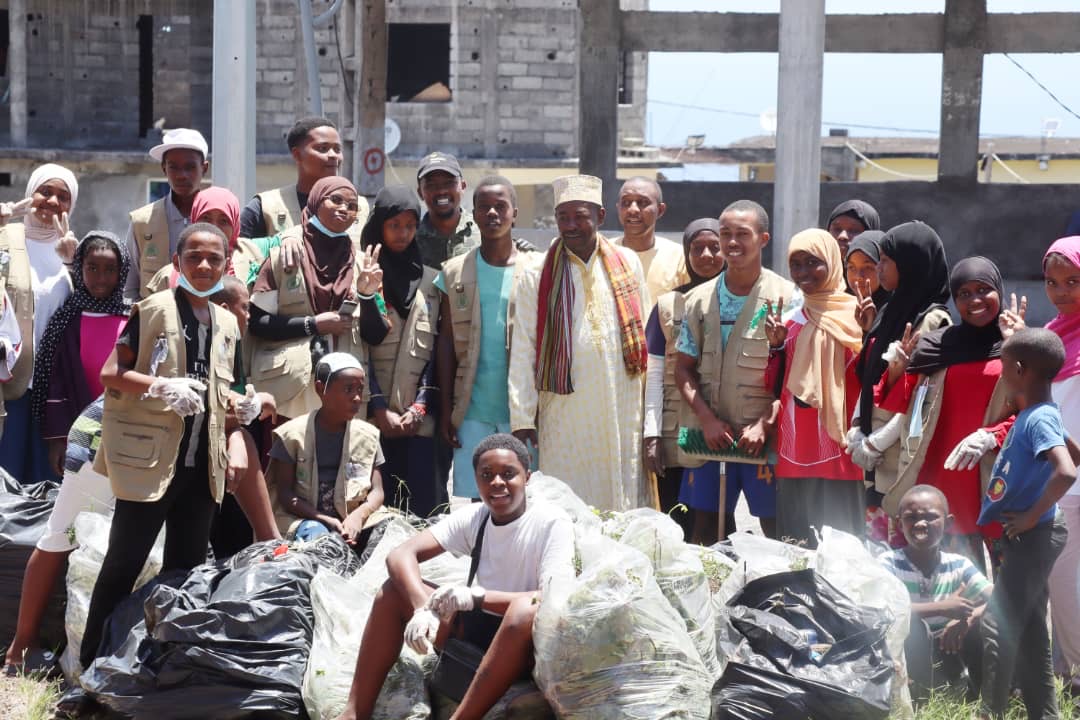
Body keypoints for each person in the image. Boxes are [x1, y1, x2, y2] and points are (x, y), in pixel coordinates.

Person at [80, 222, 246, 669]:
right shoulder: (153, 309)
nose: (205, 265)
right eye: (194, 256)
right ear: (177, 263)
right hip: (149, 464)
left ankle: (160, 670)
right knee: (122, 567)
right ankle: (92, 668)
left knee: (184, 573)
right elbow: (111, 374)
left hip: (200, 469)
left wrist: (242, 406)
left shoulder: (228, 322)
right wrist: (158, 387)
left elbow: (221, 391)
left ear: (227, 264)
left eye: (214, 258)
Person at [332, 434, 573, 720]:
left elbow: (553, 599)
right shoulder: (476, 516)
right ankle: (354, 712)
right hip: (477, 634)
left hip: (525, 645)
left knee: (524, 610)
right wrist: (424, 609)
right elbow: (400, 555)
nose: (497, 483)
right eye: (487, 475)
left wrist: (477, 597)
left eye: (508, 474)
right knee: (392, 592)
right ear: (476, 481)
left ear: (527, 477)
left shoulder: (551, 522)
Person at [509, 175, 651, 511]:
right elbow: (524, 347)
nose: (570, 226)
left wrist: (653, 421)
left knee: (623, 497)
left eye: (580, 217)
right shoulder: (536, 273)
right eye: (563, 217)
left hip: (623, 403)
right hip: (565, 409)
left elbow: (645, 337)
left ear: (601, 216)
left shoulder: (627, 263)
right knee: (568, 502)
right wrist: (522, 418)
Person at [873, 258, 1023, 571]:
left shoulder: (1019, 345)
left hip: (1000, 480)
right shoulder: (934, 347)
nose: (975, 300)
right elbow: (897, 403)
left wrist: (1018, 347)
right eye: (964, 293)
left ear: (999, 290)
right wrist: (898, 367)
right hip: (947, 484)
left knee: (1015, 590)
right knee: (960, 586)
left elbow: (1034, 411)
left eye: (984, 290)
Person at [673, 201, 793, 542]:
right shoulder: (697, 300)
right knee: (704, 534)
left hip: (764, 442)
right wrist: (707, 419)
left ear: (763, 238)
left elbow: (797, 377)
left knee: (777, 537)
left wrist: (766, 423)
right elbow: (682, 369)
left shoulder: (788, 298)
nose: (732, 243)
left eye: (743, 234)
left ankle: (776, 596)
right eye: (726, 234)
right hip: (707, 438)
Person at [975, 328, 1073, 719]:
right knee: (1032, 630)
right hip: (1032, 534)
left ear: (1018, 368)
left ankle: (989, 712)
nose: (999, 375)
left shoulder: (1037, 419)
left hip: (1034, 533)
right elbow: (1075, 455)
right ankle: (1044, 714)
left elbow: (1066, 471)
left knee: (997, 624)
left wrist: (1032, 513)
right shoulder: (1040, 415)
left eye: (1002, 367)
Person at [248, 176, 384, 422]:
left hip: (345, 400)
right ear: (315, 202)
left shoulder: (365, 265)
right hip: (290, 396)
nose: (344, 208)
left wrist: (366, 294)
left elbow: (376, 335)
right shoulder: (283, 256)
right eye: (336, 200)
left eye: (352, 205)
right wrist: (313, 324)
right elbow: (257, 323)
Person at [436, 176, 536, 501]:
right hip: (472, 410)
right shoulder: (454, 272)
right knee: (480, 499)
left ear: (515, 213)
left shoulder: (535, 269)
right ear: (474, 214)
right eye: (484, 207)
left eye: (500, 206)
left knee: (522, 497)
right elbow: (447, 343)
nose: (492, 213)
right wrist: (447, 408)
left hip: (520, 411)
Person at [851, 221, 952, 534]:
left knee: (901, 548)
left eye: (885, 261)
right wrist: (857, 430)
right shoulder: (890, 309)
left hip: (897, 457)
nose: (878, 269)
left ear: (910, 265)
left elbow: (921, 398)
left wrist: (874, 444)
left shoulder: (932, 319)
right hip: (874, 450)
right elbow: (870, 376)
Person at [764, 228, 864, 545]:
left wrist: (870, 332)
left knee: (842, 546)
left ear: (833, 262)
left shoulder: (857, 315)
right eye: (796, 264)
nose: (804, 272)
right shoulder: (791, 320)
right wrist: (776, 348)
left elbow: (868, 377)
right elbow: (774, 387)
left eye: (813, 262)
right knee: (797, 543)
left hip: (841, 446)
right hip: (796, 447)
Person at [360, 186, 443, 518]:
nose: (403, 234)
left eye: (410, 226)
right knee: (375, 511)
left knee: (423, 510)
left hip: (418, 421)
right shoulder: (362, 276)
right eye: (394, 225)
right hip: (371, 419)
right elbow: (359, 348)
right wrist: (379, 407)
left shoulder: (433, 281)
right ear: (379, 225)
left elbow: (437, 351)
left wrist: (421, 406)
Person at [643, 218, 724, 540]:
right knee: (675, 519)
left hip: (720, 426)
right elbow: (655, 373)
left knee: (716, 520)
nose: (706, 255)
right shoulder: (667, 305)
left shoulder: (739, 300)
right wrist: (651, 436)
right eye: (696, 248)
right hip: (675, 430)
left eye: (714, 247)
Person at [0, 163, 79, 483]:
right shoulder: (5, 237)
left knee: (44, 486)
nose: (52, 201)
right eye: (44, 191)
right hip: (8, 385)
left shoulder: (71, 248)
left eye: (63, 196)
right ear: (29, 193)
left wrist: (72, 264)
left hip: (50, 391)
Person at [879, 484, 991, 703]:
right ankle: (917, 692)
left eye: (931, 517)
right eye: (911, 518)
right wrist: (943, 608)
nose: (921, 524)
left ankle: (980, 693)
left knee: (990, 622)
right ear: (899, 523)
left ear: (948, 523)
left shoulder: (958, 564)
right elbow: (882, 609)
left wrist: (968, 618)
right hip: (908, 652)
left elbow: (1000, 599)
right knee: (916, 629)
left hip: (950, 646)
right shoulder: (888, 564)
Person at [31, 232, 130, 477]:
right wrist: (58, 440)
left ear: (123, 271)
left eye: (110, 269)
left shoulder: (134, 318)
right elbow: (54, 383)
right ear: (79, 268)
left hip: (123, 431)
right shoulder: (67, 320)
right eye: (92, 268)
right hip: (77, 432)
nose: (101, 278)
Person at [267, 352, 387, 549]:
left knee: (388, 534)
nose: (357, 398)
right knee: (320, 540)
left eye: (360, 389)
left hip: (355, 516)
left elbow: (378, 491)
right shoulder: (292, 435)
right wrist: (324, 519)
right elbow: (286, 495)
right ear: (321, 389)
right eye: (348, 390)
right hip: (306, 518)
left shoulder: (368, 435)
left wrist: (358, 515)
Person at [237, 117, 368, 254]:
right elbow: (239, 255)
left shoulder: (361, 207)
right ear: (297, 155)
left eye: (337, 149)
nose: (333, 155)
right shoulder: (266, 207)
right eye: (323, 148)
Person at [1041, 236, 1080, 684]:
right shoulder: (1048, 338)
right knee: (1063, 583)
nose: (1063, 291)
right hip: (1061, 478)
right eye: (1053, 282)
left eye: (1073, 280)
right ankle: (1073, 672)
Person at [124, 128, 209, 299]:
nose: (181, 175)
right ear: (164, 169)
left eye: (190, 167)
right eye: (173, 167)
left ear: (204, 168)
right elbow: (129, 287)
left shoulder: (217, 219)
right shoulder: (142, 222)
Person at [612, 176, 689, 315]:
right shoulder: (604, 252)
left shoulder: (680, 258)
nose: (633, 209)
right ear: (618, 208)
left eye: (642, 202)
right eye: (626, 202)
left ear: (660, 210)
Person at [145, 186, 241, 292]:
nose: (214, 227)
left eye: (223, 221)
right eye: (205, 218)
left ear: (235, 227)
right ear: (194, 219)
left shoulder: (248, 273)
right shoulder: (168, 277)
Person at [413, 152, 477, 269]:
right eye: (431, 185)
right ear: (420, 193)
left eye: (449, 183)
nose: (441, 191)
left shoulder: (484, 233)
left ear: (462, 186)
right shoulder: (410, 241)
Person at [845, 230, 890, 316]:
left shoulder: (896, 313)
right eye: (851, 267)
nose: (858, 276)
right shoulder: (838, 308)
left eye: (868, 267)